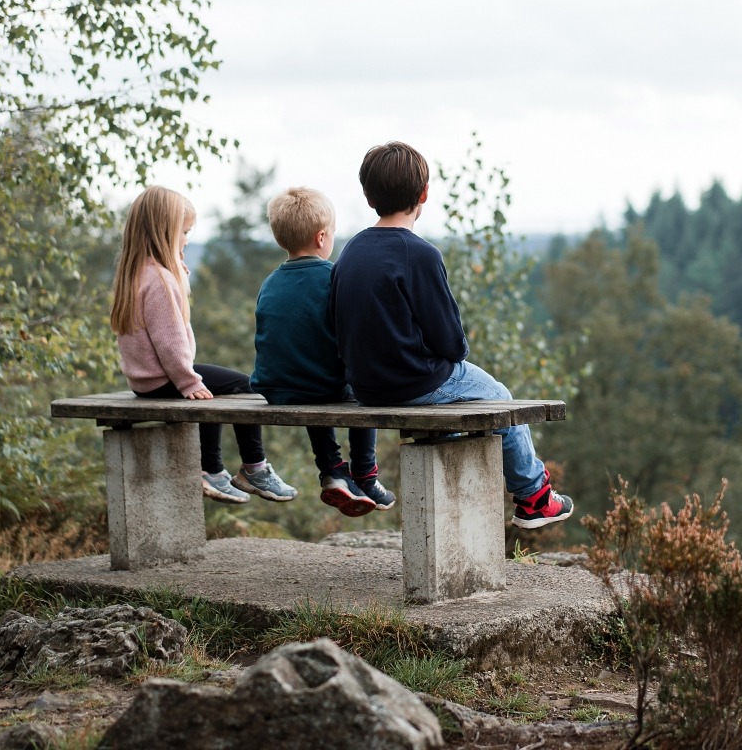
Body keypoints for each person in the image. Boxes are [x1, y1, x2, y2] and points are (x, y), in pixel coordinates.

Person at [329, 142, 573, 529]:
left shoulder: (349, 251)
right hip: (415, 382)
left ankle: (525, 492)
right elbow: (452, 343)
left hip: (365, 386)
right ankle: (534, 497)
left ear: (367, 194)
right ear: (424, 194)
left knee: (473, 405)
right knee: (499, 397)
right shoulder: (421, 255)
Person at [109, 186, 296, 505]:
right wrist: (187, 380)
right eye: (183, 233)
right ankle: (251, 467)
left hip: (146, 382)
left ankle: (215, 469)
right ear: (164, 232)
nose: (186, 240)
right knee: (247, 386)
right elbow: (169, 341)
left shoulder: (138, 273)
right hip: (166, 377)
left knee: (214, 387)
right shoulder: (160, 281)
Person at [251, 187, 394, 517]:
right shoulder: (335, 277)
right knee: (363, 385)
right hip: (320, 386)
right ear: (321, 237)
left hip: (276, 387)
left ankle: (332, 469)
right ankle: (365, 475)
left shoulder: (269, 282)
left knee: (307, 378)